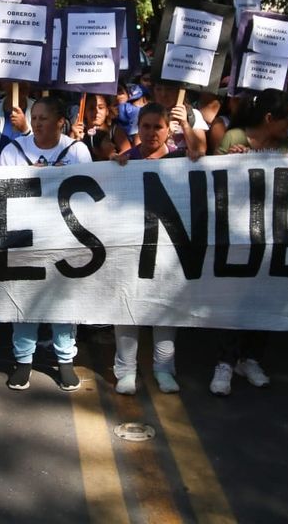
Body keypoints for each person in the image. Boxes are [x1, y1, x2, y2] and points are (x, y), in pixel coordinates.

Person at [210, 88, 288, 396]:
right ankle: (225, 362)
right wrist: (227, 160)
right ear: (269, 118)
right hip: (236, 234)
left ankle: (250, 359)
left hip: (274, 235)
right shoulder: (234, 137)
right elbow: (209, 178)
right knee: (233, 299)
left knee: (265, 297)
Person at [0, 96, 91, 392]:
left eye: (43, 118)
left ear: (60, 121)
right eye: (34, 117)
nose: (36, 123)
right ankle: (23, 360)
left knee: (63, 299)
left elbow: (91, 190)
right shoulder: (13, 150)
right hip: (24, 239)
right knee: (25, 298)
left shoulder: (77, 151)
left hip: (65, 236)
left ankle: (65, 360)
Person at [109, 103, 190, 395]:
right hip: (130, 248)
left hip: (168, 250)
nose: (152, 132)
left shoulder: (181, 159)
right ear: (138, 128)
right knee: (126, 307)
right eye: (146, 126)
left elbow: (201, 153)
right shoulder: (125, 161)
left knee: (165, 310)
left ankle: (164, 369)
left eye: (158, 127)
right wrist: (113, 166)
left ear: (168, 130)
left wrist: (188, 127)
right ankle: (125, 370)